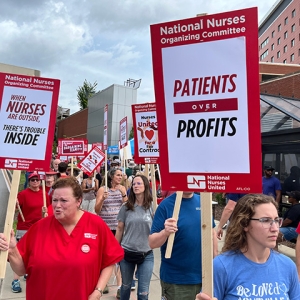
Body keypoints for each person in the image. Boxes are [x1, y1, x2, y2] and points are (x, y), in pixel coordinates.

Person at [0, 177, 124, 300]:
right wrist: (12, 250)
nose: (57, 205)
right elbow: (21, 270)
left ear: (78, 201)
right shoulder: (39, 228)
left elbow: (110, 260)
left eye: (64, 200)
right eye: (55, 200)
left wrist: (98, 290)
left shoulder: (95, 225)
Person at [196, 194, 300, 300]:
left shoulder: (287, 266)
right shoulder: (222, 267)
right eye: (265, 220)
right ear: (245, 223)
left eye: (276, 220)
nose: (275, 228)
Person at [149, 192, 218, 300]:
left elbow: (212, 233)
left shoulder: (203, 201)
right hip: (177, 281)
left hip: (204, 279)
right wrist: (165, 232)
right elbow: (152, 243)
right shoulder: (166, 205)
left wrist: (215, 263)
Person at [11, 172, 51, 293]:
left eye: (37, 179)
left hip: (39, 227)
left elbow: (48, 211)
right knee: (20, 255)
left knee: (36, 252)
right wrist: (15, 204)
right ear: (29, 181)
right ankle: (15, 280)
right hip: (24, 227)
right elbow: (14, 209)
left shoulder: (44, 194)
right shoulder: (23, 194)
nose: (35, 182)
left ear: (40, 181)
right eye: (32, 180)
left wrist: (45, 212)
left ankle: (28, 272)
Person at [115, 175, 154, 300]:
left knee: (143, 293)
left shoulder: (153, 207)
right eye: (134, 184)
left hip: (146, 254)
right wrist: (115, 249)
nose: (135, 186)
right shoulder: (126, 207)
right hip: (127, 253)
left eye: (139, 183)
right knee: (125, 288)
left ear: (146, 186)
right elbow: (120, 228)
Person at [95, 167, 128, 297]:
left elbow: (128, 207)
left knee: (118, 256)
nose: (120, 177)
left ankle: (120, 286)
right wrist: (102, 199)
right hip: (105, 228)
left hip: (119, 227)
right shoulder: (103, 189)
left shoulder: (123, 189)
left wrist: (124, 194)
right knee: (105, 256)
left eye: (121, 175)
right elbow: (96, 210)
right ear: (111, 177)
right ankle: (104, 284)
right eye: (118, 175)